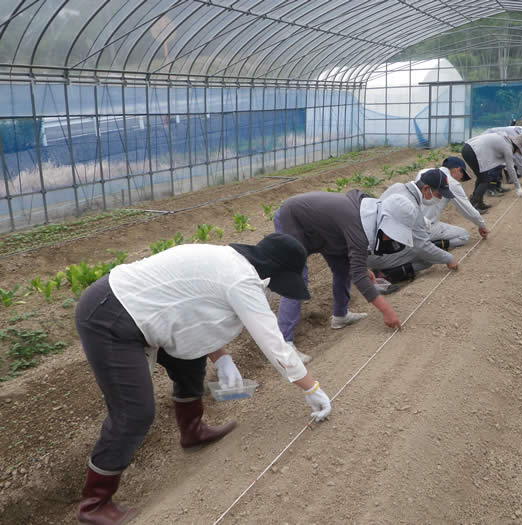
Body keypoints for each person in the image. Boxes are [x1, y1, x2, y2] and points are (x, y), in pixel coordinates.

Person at [74, 233, 332, 525]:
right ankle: (94, 504)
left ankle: (192, 431)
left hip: (134, 307)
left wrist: (221, 357)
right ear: (273, 272)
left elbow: (194, 314)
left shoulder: (230, 262)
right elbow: (274, 344)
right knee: (134, 413)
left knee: (190, 359)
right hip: (110, 315)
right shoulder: (241, 279)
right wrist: (311, 387)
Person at [274, 190, 419, 355]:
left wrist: (364, 269)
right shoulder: (357, 223)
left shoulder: (368, 216)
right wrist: (387, 311)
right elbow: (358, 275)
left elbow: (355, 261)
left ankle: (340, 316)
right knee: (297, 278)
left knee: (342, 268)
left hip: (322, 230)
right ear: (385, 220)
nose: (391, 238)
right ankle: (283, 344)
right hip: (292, 218)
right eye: (392, 232)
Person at [367, 169, 459, 284]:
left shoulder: (397, 187)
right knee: (428, 258)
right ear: (426, 188)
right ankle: (386, 274)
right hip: (376, 254)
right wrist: (448, 258)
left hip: (369, 247)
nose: (440, 199)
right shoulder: (412, 208)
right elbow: (422, 247)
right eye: (439, 194)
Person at [418, 158, 489, 249]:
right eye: (462, 175)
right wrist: (481, 225)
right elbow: (468, 210)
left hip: (410, 222)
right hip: (426, 227)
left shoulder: (424, 172)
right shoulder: (452, 183)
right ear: (457, 169)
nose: (460, 179)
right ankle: (430, 247)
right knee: (464, 235)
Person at [461, 133, 522, 212]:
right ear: (517, 147)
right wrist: (518, 187)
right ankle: (472, 206)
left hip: (469, 148)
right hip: (472, 151)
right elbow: (511, 168)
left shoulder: (506, 140)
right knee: (485, 180)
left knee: (482, 177)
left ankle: (479, 203)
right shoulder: (508, 148)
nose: (517, 152)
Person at [482, 126, 522, 194]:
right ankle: (491, 188)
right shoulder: (518, 140)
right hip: (488, 140)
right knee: (497, 164)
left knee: (501, 163)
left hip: (494, 141)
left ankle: (497, 186)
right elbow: (519, 160)